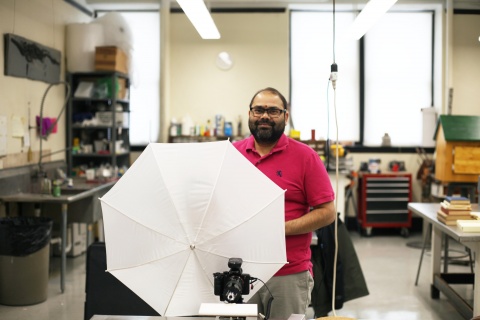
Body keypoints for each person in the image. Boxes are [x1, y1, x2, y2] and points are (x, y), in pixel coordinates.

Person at [233, 87, 336, 319]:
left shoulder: (306, 157)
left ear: (285, 117)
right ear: (249, 114)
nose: (265, 116)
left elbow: (328, 213)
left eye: (273, 111)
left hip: (288, 273)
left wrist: (279, 229)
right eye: (258, 110)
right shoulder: (232, 154)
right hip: (240, 271)